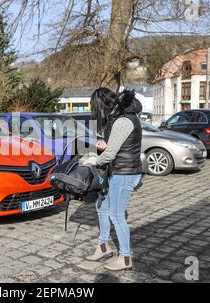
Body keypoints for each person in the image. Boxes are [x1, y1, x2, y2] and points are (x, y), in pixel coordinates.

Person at [83, 87, 143, 271]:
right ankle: (103, 246)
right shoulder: (120, 117)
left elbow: (109, 155)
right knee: (101, 206)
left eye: (96, 108)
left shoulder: (123, 120)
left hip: (124, 173)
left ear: (102, 105)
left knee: (117, 215)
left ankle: (125, 258)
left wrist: (93, 160)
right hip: (118, 171)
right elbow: (119, 145)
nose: (96, 113)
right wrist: (106, 144)